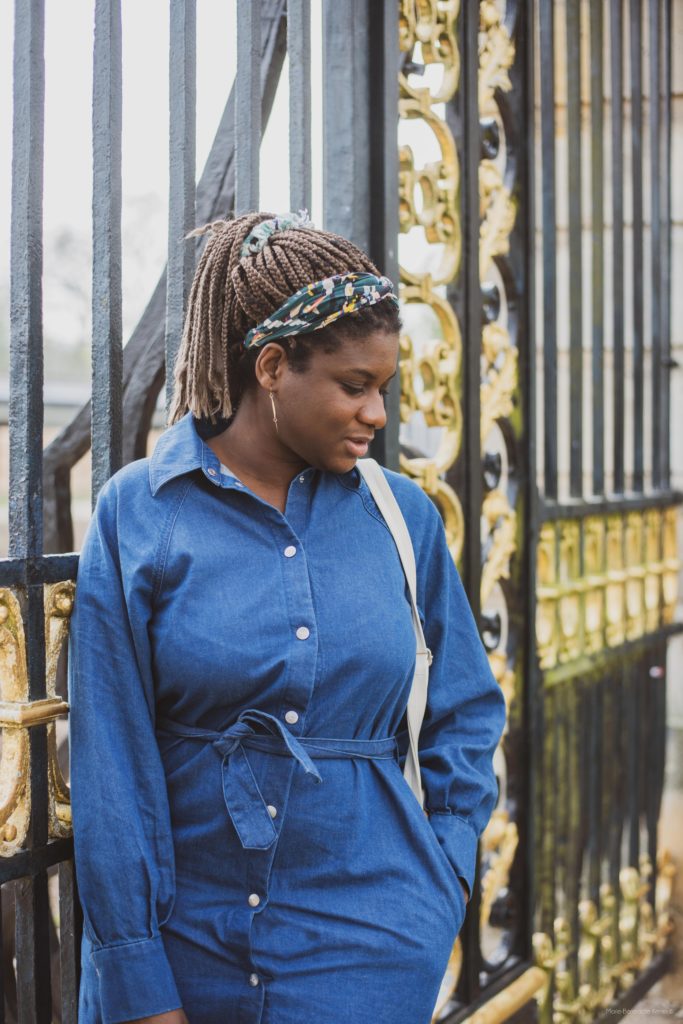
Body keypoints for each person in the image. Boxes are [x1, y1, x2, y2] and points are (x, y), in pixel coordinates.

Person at [68, 211, 507, 1024]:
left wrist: (440, 878)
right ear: (272, 366)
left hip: (371, 950)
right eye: (354, 386)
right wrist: (134, 972)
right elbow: (112, 761)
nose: (377, 415)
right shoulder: (140, 511)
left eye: (383, 387)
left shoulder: (401, 518)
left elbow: (464, 711)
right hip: (182, 946)